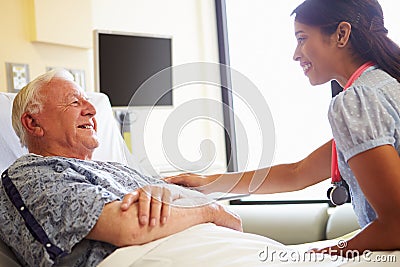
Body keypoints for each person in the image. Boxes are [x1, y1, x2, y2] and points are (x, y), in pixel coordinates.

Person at [166, 0, 400, 256]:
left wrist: (329, 251)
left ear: (341, 34)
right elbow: (298, 173)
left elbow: (395, 226)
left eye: (302, 38)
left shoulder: (357, 101)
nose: (296, 54)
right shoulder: (384, 87)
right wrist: (209, 182)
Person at [0, 69, 242, 267]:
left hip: (227, 249)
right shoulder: (32, 174)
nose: (92, 110)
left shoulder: (117, 169)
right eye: (75, 102)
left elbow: (233, 220)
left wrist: (199, 206)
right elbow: (131, 227)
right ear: (33, 122)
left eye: (88, 102)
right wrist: (209, 210)